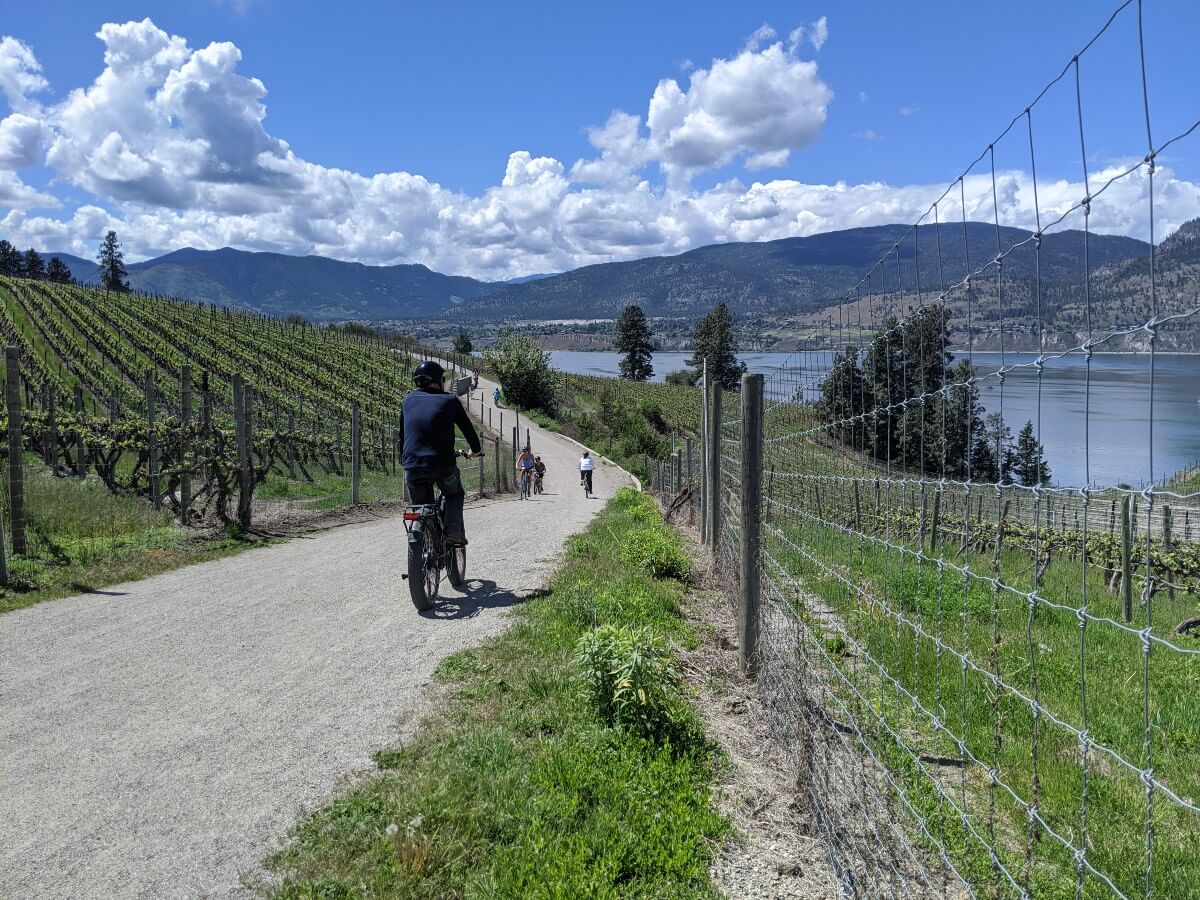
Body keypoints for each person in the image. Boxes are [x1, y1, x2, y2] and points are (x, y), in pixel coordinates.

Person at [398, 360, 483, 546]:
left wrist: (403, 460)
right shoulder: (450, 400)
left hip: (412, 465)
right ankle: (453, 531)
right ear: (439, 380)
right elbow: (468, 430)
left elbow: (402, 437)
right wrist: (476, 450)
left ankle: (425, 546)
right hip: (442, 464)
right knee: (454, 494)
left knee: (420, 508)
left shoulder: (407, 401)